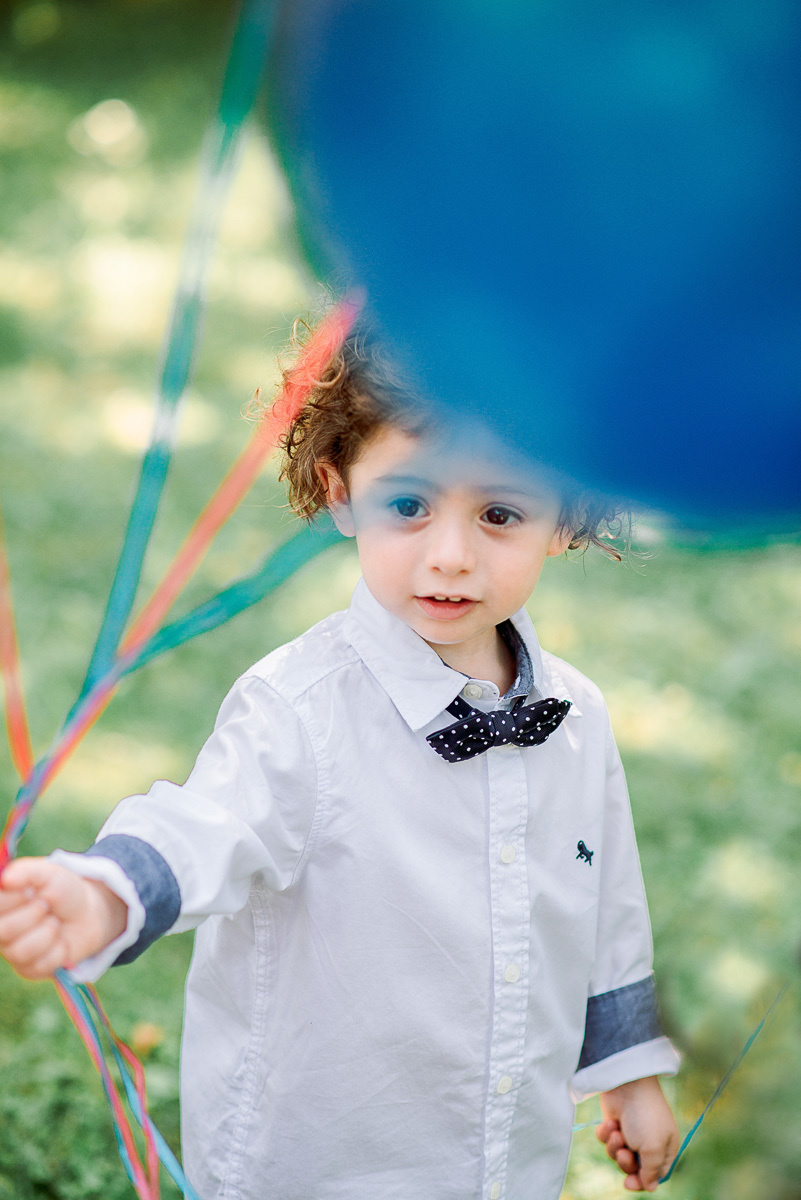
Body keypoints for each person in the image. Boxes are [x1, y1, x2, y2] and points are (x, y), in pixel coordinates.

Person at [0, 331, 680, 1199]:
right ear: (340, 491)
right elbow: (207, 823)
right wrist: (105, 891)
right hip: (319, 1156)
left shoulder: (574, 716)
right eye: (409, 506)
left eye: (500, 514)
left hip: (504, 1157)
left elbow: (606, 907)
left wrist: (629, 1074)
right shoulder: (299, 708)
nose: (450, 555)